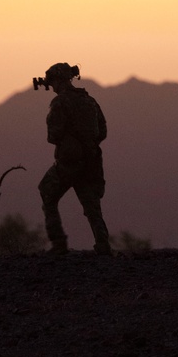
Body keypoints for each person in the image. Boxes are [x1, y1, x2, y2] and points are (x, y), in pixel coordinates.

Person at [34, 62, 112, 255]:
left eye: (53, 82)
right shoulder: (89, 100)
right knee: (92, 206)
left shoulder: (60, 102)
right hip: (90, 161)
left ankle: (59, 244)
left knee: (47, 192)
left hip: (69, 163)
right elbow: (102, 131)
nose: (51, 86)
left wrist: (70, 145)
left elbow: (53, 135)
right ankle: (103, 246)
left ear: (59, 81)